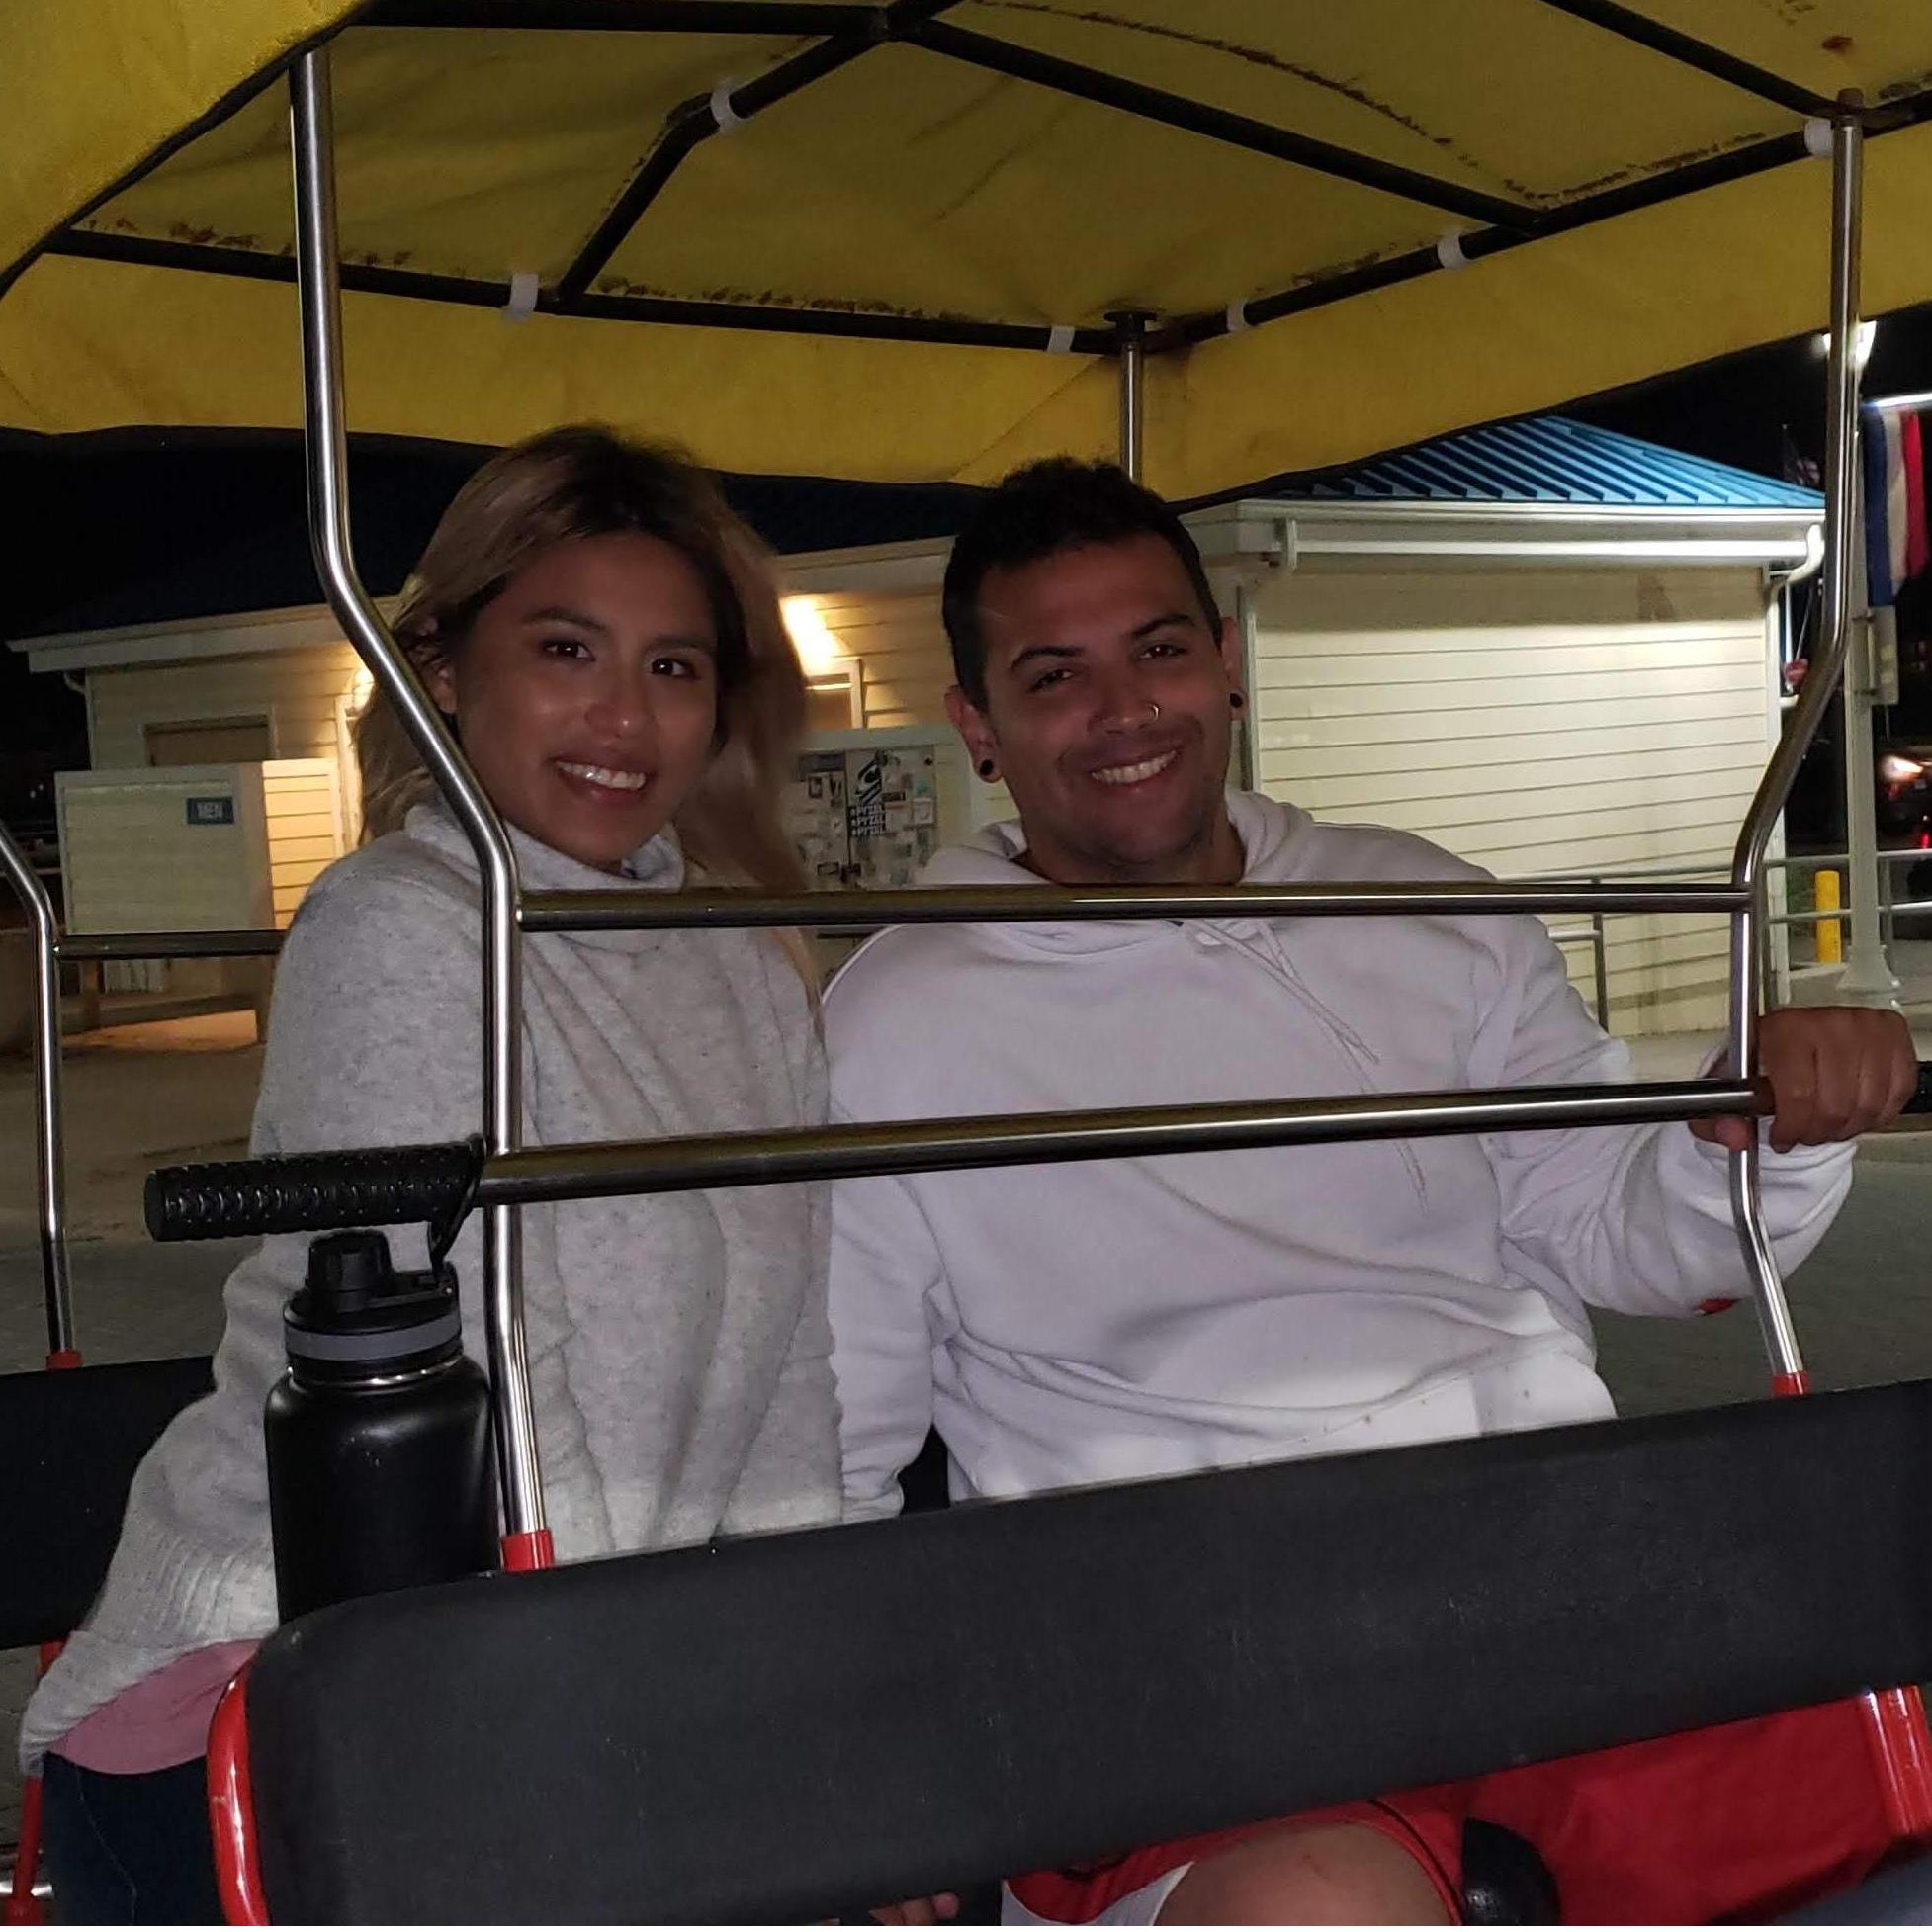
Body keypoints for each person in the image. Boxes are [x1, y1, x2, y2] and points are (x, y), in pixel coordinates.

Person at [827, 459, 1919, 1927]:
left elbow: (1626, 1228)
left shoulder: (1425, 905)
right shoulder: (896, 1018)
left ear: (1222, 658)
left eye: (1157, 648)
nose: (1124, 709)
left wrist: (1766, 1125)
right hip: (1172, 1637)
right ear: (979, 725)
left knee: (1867, 1819)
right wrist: (859, 1774)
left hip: (1550, 1559)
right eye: (1054, 675)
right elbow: (840, 1424)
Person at [22, 426, 843, 1922]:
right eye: (566, 649)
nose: (624, 713)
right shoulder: (403, 925)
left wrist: (823, 1699)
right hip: (287, 1692)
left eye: (671, 665)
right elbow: (485, 1366)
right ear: (443, 669)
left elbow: (792, 1379)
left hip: (577, 1684)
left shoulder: (738, 959)